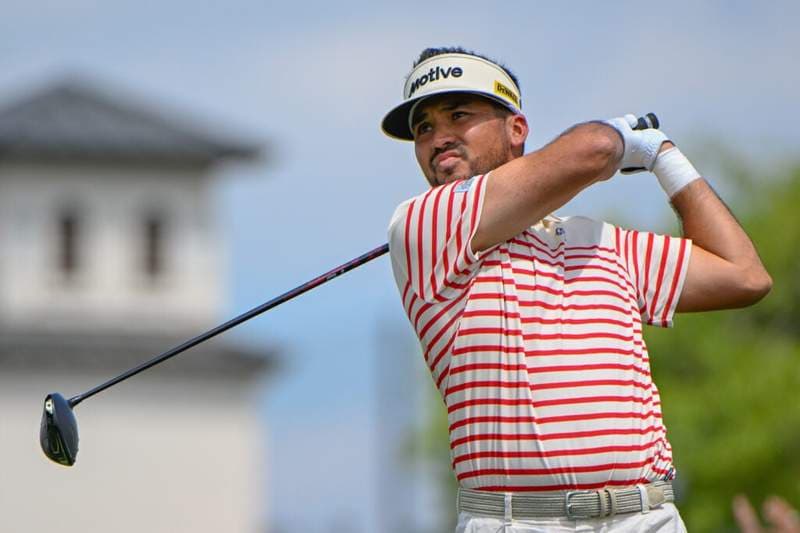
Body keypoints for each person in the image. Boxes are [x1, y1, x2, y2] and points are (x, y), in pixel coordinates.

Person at [382, 46, 772, 533]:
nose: (438, 137)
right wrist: (622, 136)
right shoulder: (423, 224)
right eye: (423, 128)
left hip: (643, 517)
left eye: (458, 115)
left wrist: (664, 157)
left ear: (516, 129)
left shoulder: (602, 242)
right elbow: (596, 148)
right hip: (516, 522)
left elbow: (744, 275)